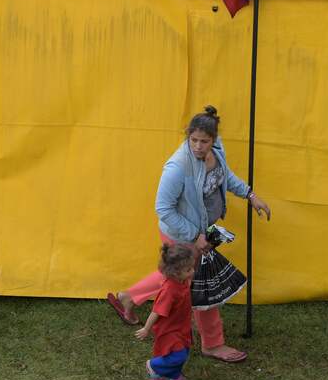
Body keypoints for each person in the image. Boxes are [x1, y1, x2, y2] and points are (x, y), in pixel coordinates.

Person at [107, 105, 271, 362]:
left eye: (204, 141)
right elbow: (163, 208)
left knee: (177, 278)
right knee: (203, 288)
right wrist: (195, 236)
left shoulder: (216, 151)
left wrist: (251, 195)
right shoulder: (178, 167)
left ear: (213, 140)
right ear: (187, 137)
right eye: (193, 140)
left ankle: (128, 297)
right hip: (183, 236)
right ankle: (213, 344)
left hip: (203, 234)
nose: (198, 146)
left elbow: (225, 177)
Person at [134, 244, 196, 380]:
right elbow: (156, 311)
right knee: (177, 355)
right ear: (174, 272)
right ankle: (154, 366)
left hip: (181, 325)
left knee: (185, 351)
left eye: (192, 267)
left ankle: (170, 375)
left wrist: (191, 319)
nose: (192, 272)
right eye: (188, 270)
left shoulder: (184, 280)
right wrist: (146, 328)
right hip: (170, 329)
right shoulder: (169, 290)